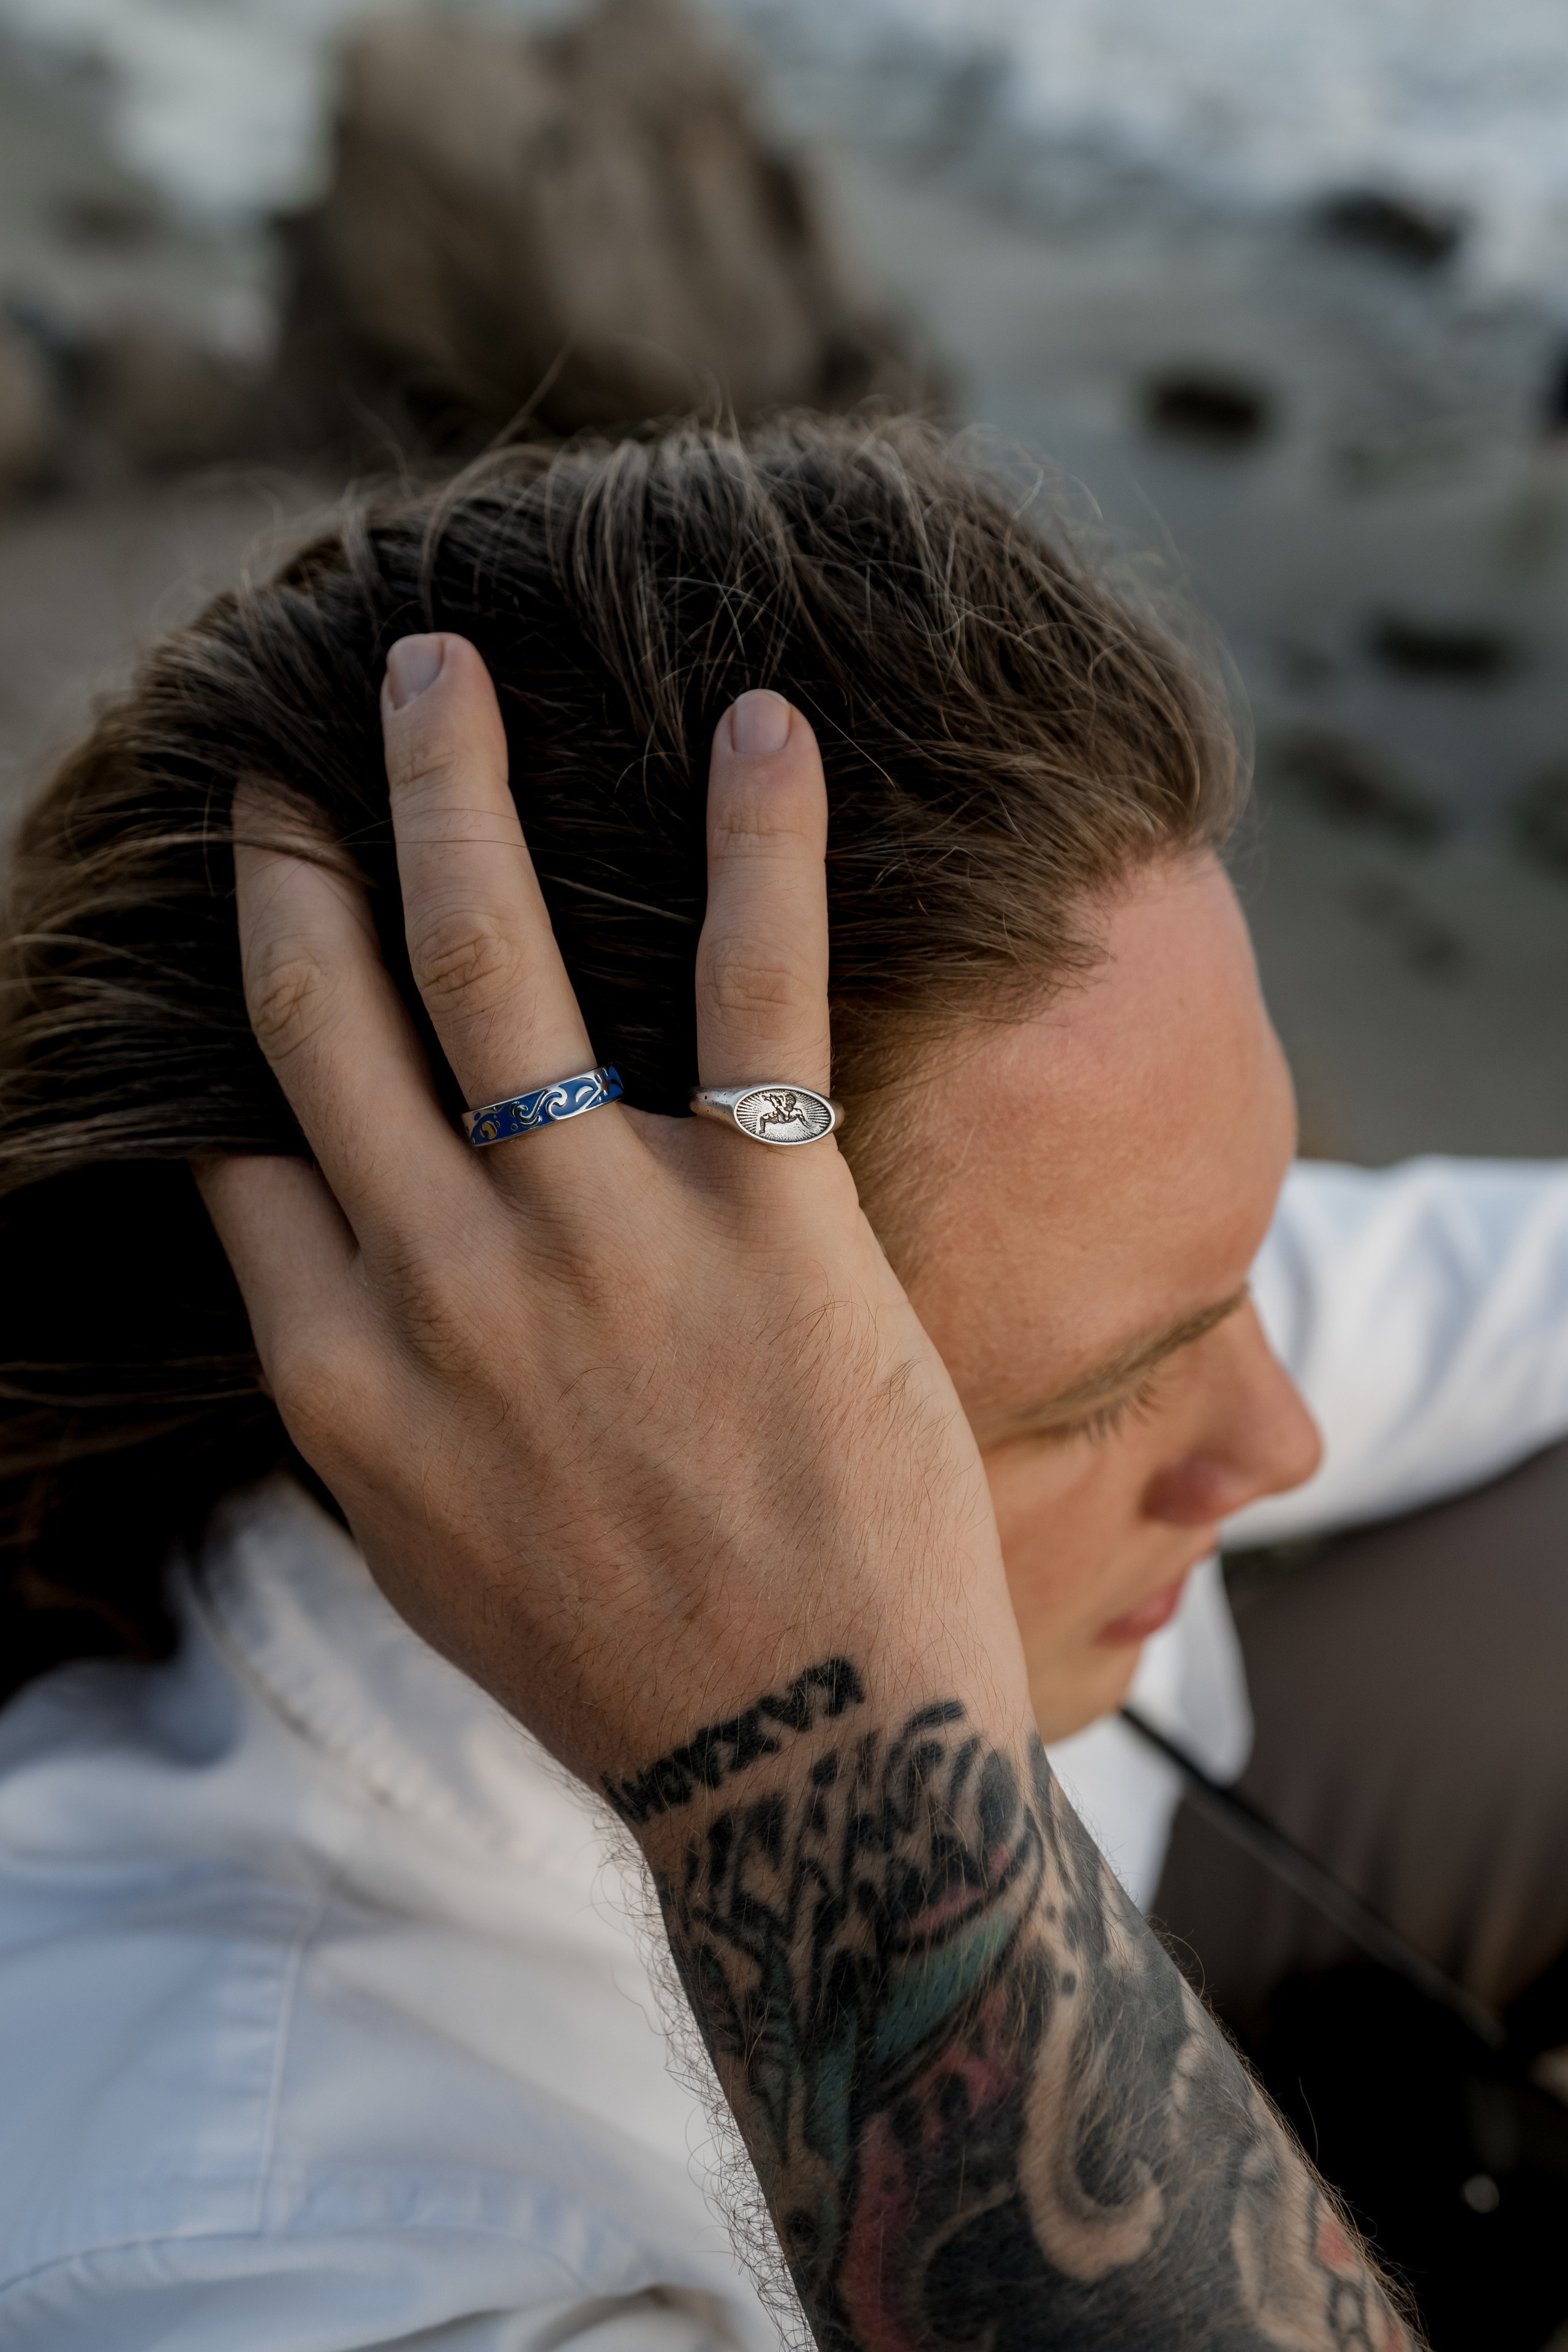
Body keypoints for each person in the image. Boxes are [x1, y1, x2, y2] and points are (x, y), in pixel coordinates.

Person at [0, 413, 1559, 2349]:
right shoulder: (253, 2239)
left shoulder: (1016, 1256)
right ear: (576, 1423)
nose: (1283, 1433)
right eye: (1100, 1396)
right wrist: (816, 1757)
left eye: (1240, 1271)